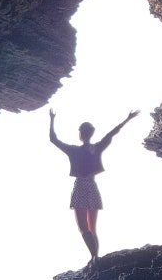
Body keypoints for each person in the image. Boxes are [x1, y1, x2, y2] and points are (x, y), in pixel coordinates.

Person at [49, 108, 139, 263]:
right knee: (92, 228)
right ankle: (96, 258)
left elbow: (53, 139)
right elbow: (112, 133)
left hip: (81, 187)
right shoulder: (97, 148)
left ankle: (94, 257)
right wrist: (128, 119)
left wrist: (52, 119)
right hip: (92, 186)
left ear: (81, 134)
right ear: (91, 133)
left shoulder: (74, 150)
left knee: (84, 228)